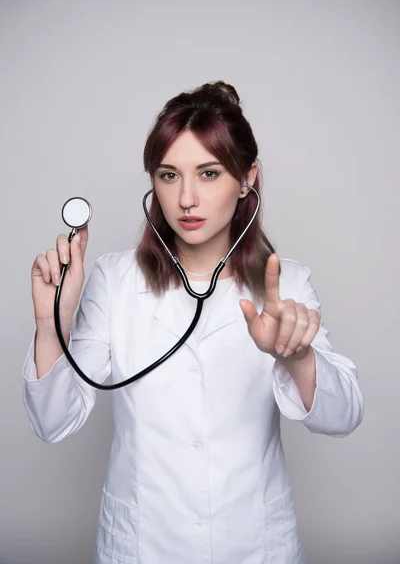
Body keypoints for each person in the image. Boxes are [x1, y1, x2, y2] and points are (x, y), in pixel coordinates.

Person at [23, 81, 364, 564]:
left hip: (254, 545)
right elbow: (52, 423)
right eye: (168, 175)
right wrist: (50, 321)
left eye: (208, 173)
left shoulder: (286, 285)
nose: (186, 198)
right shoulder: (114, 280)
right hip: (143, 546)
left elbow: (345, 415)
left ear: (247, 179)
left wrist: (300, 357)